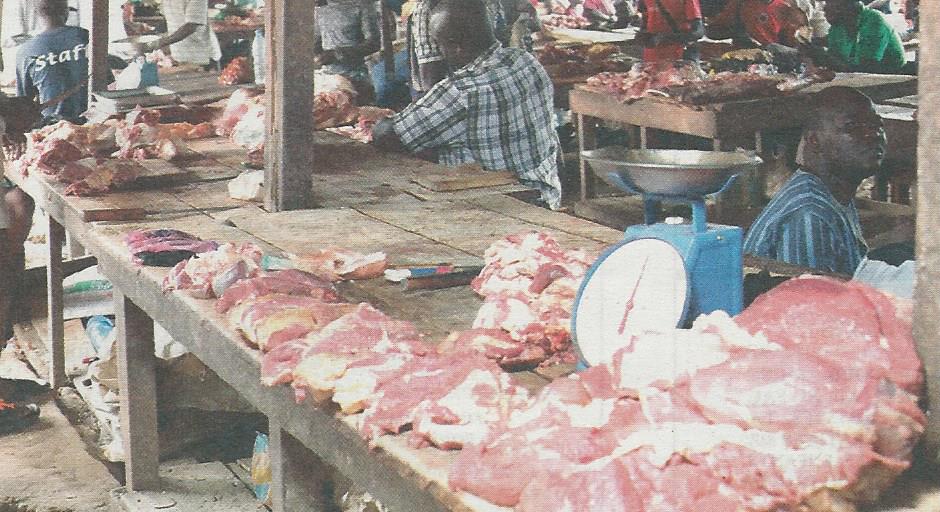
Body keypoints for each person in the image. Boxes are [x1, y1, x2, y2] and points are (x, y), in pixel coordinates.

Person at [374, 0, 562, 209]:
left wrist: (380, 121)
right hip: (545, 196)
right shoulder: (526, 61)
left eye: (440, 44)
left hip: (495, 207)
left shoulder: (459, 91)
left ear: (457, 45)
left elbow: (386, 136)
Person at [743, 87, 887, 276]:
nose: (873, 134)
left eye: (878, 125)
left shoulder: (834, 189)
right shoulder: (810, 214)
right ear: (814, 140)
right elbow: (807, 301)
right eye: (852, 128)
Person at [408, 0, 505, 97]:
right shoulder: (428, 7)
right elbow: (431, 78)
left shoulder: (492, 2)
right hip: (459, 96)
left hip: (500, 81)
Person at [15, 0, 89, 124]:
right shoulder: (85, 36)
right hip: (95, 125)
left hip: (53, 130)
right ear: (66, 12)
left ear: (37, 14)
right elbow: (108, 83)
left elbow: (23, 104)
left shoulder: (25, 51)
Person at [807, 0, 906, 73]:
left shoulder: (874, 20)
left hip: (891, 78)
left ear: (847, 5)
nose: (825, 8)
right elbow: (836, 56)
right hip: (859, 78)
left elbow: (866, 68)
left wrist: (825, 58)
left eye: (830, 2)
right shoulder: (839, 25)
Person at [314, 0, 381, 89]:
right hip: (327, 78)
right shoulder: (321, 9)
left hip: (355, 77)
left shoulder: (362, 6)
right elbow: (316, 41)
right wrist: (317, 54)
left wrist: (337, 54)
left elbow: (374, 43)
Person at [134, 0, 221, 67]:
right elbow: (171, 19)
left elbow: (191, 25)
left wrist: (161, 42)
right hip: (180, 57)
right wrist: (151, 33)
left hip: (202, 58)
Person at [706, 0, 828, 48]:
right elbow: (714, 32)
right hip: (744, 58)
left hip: (776, 64)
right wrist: (736, 33)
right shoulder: (740, 4)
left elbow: (798, 46)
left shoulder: (789, 8)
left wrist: (773, 49)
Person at [636, 0, 704, 61]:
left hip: (679, 57)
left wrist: (663, 38)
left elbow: (698, 32)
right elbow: (645, 24)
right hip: (651, 59)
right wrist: (641, 36)